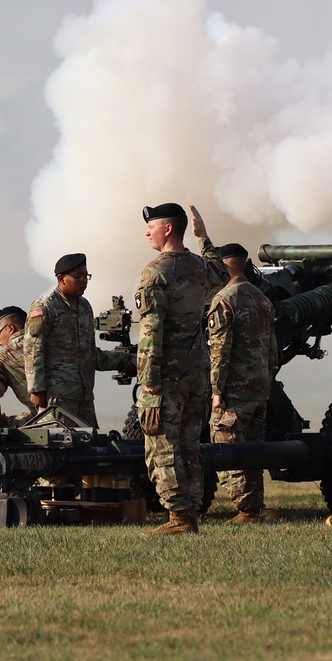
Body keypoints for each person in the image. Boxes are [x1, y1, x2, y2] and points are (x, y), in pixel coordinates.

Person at [136, 203, 228, 535]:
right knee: (189, 445)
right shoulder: (200, 267)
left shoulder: (156, 272)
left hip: (166, 377)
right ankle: (190, 514)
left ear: (168, 229)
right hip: (196, 374)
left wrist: (149, 380)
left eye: (152, 226)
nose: (147, 231)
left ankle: (179, 518)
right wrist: (203, 237)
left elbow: (151, 331)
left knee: (161, 445)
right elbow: (222, 273)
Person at [207, 242, 278, 523]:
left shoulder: (224, 299)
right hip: (259, 387)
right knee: (252, 450)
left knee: (227, 446)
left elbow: (219, 350)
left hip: (235, 389)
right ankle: (255, 507)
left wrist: (216, 392)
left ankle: (246, 510)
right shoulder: (263, 299)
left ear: (224, 266)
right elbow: (272, 351)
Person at [24, 253, 130, 428]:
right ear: (61, 279)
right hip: (57, 397)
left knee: (90, 447)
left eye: (86, 276)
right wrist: (36, 388)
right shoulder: (45, 307)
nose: (84, 280)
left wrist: (129, 360)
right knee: (60, 447)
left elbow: (89, 352)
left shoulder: (85, 307)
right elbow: (33, 350)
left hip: (84, 395)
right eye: (78, 276)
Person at [0, 306, 36, 428]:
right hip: (84, 419)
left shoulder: (2, 358)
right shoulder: (53, 342)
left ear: (10, 328)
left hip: (52, 422)